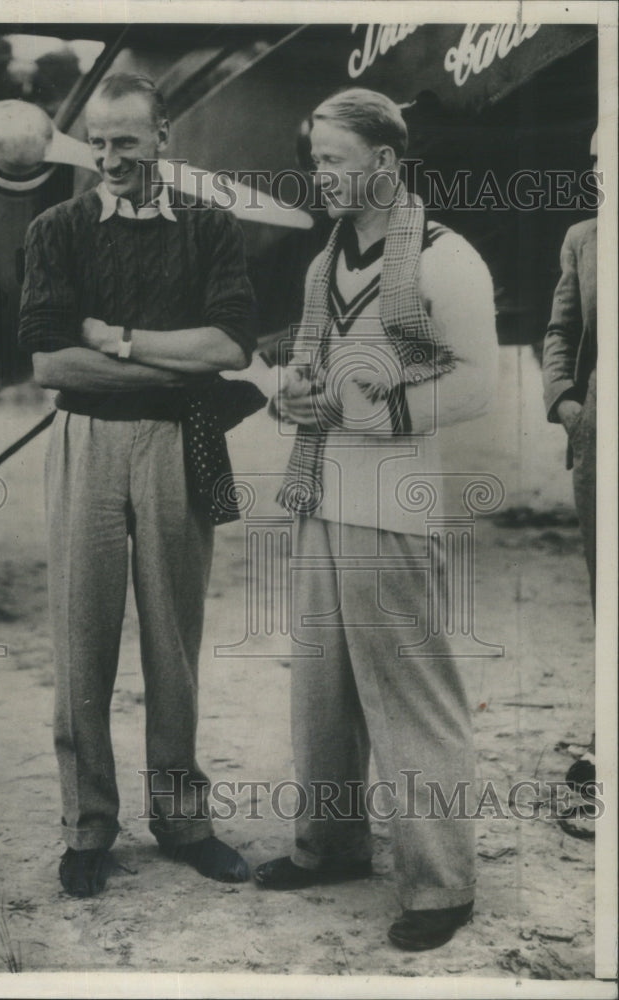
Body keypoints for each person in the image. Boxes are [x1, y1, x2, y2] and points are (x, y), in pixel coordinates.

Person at [254, 88, 498, 951]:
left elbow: (477, 381)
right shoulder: (325, 262)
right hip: (321, 491)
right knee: (321, 688)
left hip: (395, 500)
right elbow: (313, 366)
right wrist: (291, 393)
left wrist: (375, 411)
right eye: (315, 160)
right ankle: (330, 845)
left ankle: (441, 885)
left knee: (410, 693)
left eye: (334, 160)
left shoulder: (446, 257)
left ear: (385, 162)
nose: (319, 175)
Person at [18, 73, 257, 897]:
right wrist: (173, 366)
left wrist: (116, 339)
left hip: (177, 447)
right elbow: (51, 364)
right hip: (85, 442)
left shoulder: (211, 228)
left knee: (172, 640)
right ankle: (88, 827)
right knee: (82, 638)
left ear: (164, 136)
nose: (110, 158)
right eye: (98, 142)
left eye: (127, 140)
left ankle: (183, 821)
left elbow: (230, 347)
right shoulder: (56, 230)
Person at [541, 130, 598, 613]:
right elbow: (561, 329)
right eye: (596, 162)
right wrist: (564, 400)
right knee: (605, 565)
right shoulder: (583, 239)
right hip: (596, 425)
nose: (600, 173)